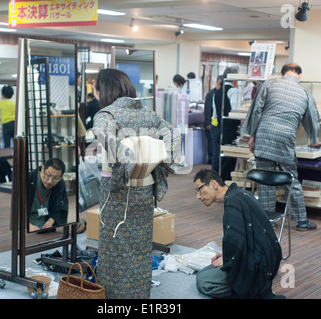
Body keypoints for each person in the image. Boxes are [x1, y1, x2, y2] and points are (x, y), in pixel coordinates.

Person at [92, 68, 178, 299]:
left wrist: (127, 160)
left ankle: (115, 298)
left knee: (114, 245)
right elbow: (173, 136)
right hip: (145, 188)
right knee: (140, 246)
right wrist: (153, 162)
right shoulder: (149, 114)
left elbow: (102, 136)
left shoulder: (106, 115)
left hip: (117, 191)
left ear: (103, 89)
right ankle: (140, 296)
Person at [242, 63, 320, 231]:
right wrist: (313, 138)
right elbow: (312, 118)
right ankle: (302, 221)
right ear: (299, 76)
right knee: (291, 179)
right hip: (285, 140)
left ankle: (268, 220)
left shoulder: (269, 84)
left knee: (265, 180)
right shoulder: (304, 93)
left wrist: (252, 135)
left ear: (282, 73)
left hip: (264, 136)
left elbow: (256, 111)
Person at [193, 168, 283, 299]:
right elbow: (243, 237)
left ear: (214, 184)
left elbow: (239, 242)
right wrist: (227, 255)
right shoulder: (237, 194)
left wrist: (229, 259)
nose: (198, 196)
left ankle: (252, 289)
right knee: (205, 271)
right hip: (265, 256)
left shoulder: (233, 201)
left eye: (199, 189)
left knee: (204, 281)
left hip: (258, 262)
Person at [212, 67, 241, 180]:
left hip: (219, 127)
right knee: (229, 157)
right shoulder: (234, 91)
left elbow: (215, 113)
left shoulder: (217, 92)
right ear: (234, 78)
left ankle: (218, 181)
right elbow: (236, 112)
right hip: (230, 128)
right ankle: (226, 181)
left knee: (220, 156)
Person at [28, 158, 69, 232]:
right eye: (48, 175)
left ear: (61, 177)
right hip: (29, 222)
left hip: (46, 223)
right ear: (43, 169)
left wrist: (51, 220)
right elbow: (17, 208)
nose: (50, 181)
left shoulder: (60, 183)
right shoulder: (28, 179)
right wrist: (27, 225)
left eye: (56, 178)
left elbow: (61, 206)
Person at [204, 75, 223, 165]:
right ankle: (210, 159)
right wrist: (208, 122)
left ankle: (213, 159)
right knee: (211, 142)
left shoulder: (220, 93)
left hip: (217, 123)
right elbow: (207, 109)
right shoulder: (211, 93)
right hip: (211, 123)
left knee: (214, 143)